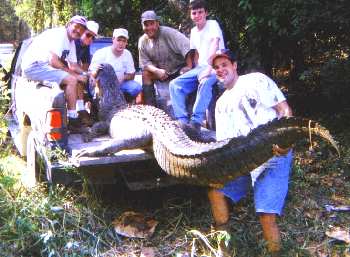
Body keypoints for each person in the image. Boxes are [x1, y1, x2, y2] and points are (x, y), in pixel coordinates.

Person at [209, 49, 293, 255]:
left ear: (234, 65)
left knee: (265, 214)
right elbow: (225, 144)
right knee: (216, 192)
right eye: (217, 67)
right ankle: (224, 249)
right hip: (244, 160)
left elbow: (284, 110)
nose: (221, 70)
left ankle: (275, 253)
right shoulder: (220, 104)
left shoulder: (256, 80)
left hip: (273, 154)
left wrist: (286, 142)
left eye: (224, 65)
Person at [21, 15, 90, 132]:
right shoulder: (60, 35)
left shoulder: (71, 42)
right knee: (72, 79)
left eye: (82, 29)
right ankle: (73, 121)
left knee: (77, 78)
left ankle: (77, 114)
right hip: (34, 66)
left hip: (44, 67)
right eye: (76, 26)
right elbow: (53, 61)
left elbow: (73, 65)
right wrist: (76, 76)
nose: (78, 31)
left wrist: (86, 74)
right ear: (69, 24)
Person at [169, 0, 225, 133]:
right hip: (201, 67)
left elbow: (215, 45)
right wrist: (190, 68)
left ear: (206, 13)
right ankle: (182, 121)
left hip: (217, 65)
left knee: (205, 82)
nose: (197, 15)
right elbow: (196, 54)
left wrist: (210, 68)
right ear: (190, 15)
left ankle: (196, 122)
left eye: (200, 12)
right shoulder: (194, 31)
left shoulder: (213, 24)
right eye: (194, 13)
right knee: (174, 84)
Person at [138, 10, 193, 106]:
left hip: (178, 70)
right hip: (162, 73)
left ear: (157, 23)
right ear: (142, 26)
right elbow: (145, 63)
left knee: (188, 72)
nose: (149, 27)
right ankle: (151, 108)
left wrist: (189, 66)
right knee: (145, 74)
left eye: (152, 24)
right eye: (146, 25)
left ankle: (190, 108)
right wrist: (156, 71)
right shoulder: (142, 41)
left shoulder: (169, 33)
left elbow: (188, 47)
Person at [89, 28, 141, 102]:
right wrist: (96, 77)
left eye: (124, 41)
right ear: (113, 39)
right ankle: (97, 105)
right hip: (101, 85)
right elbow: (92, 75)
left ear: (126, 43)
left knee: (136, 87)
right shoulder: (100, 53)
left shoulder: (127, 54)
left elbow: (132, 75)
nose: (121, 43)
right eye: (119, 40)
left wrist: (123, 77)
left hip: (119, 85)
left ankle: (125, 104)